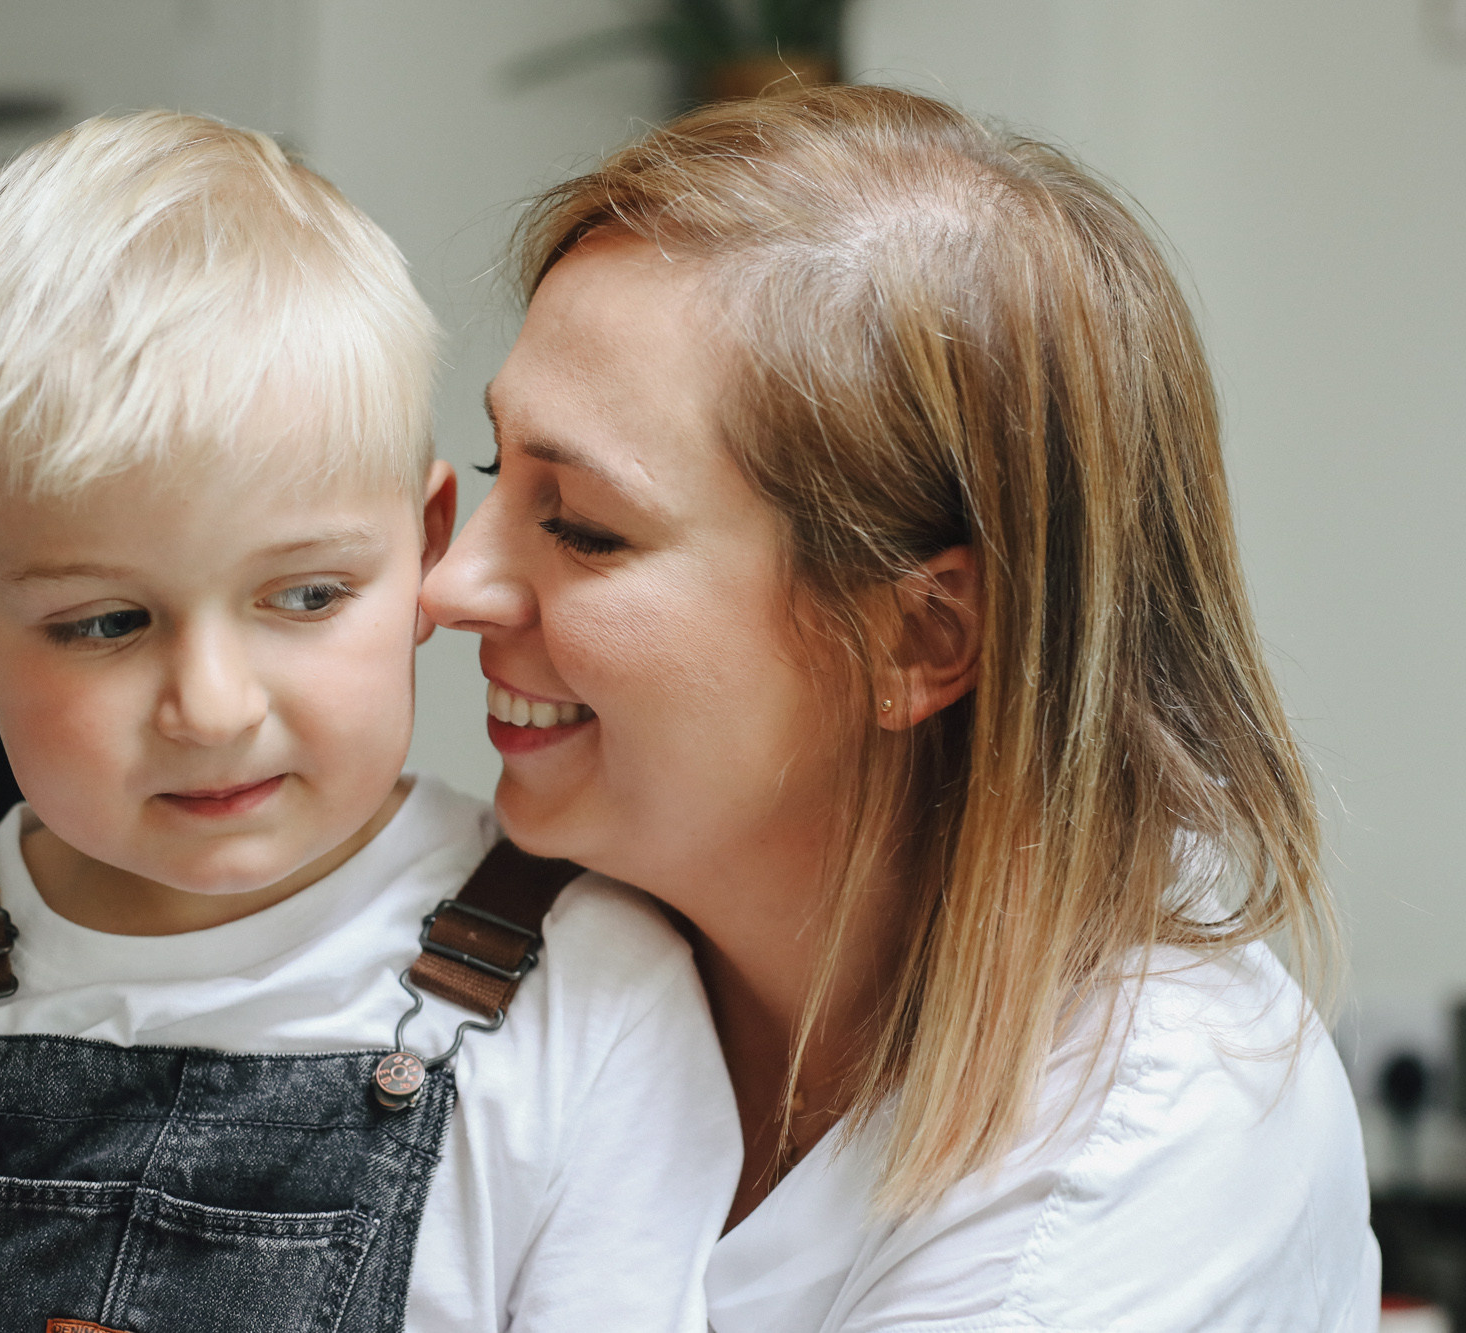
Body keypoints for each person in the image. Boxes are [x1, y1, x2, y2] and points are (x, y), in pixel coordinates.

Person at [0, 111, 738, 1333]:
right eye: (104, 623)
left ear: (420, 549)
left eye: (304, 596)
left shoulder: (590, 992)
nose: (211, 710)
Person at [422, 85, 1377, 1331]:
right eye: (499, 468)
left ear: (919, 638)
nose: (445, 586)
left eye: (585, 528)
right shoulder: (509, 948)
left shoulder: (1144, 1136)